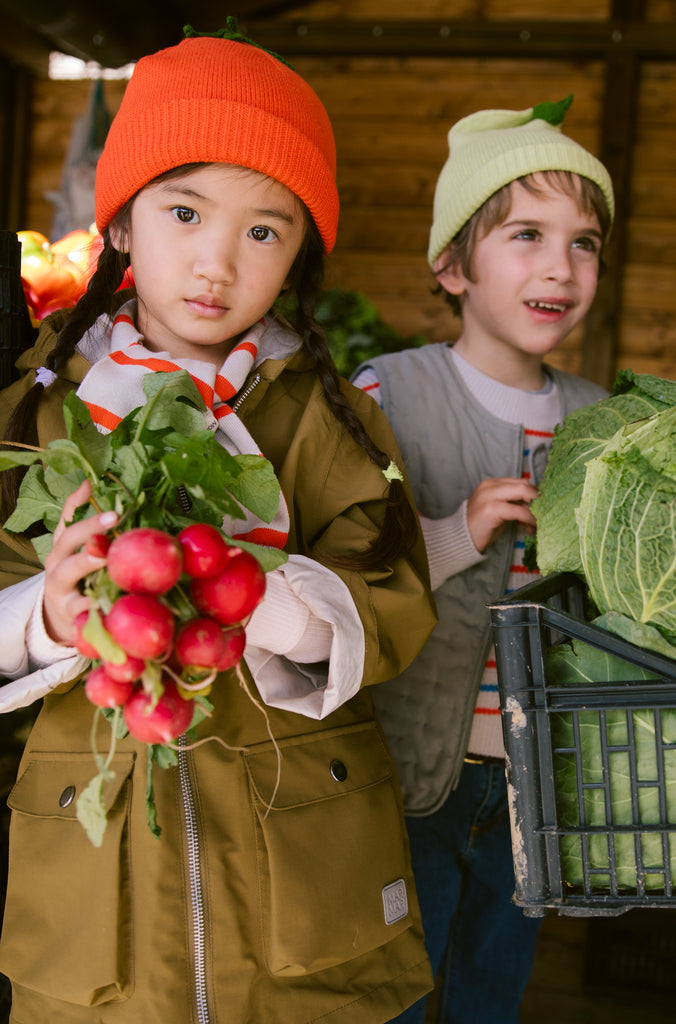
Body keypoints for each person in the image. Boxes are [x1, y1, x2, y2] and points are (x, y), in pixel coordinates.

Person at [0, 25, 439, 1024]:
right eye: (185, 211)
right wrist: (47, 616)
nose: (217, 261)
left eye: (264, 231)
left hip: (302, 876)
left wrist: (268, 604)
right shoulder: (38, 413)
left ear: (298, 255)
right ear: (120, 224)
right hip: (98, 891)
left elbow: (396, 597)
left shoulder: (325, 416)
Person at [352, 95, 614, 1024]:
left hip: (533, 783)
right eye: (527, 235)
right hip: (407, 776)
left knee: (491, 993)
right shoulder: (387, 394)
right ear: (452, 265)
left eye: (585, 243)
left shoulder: (607, 421)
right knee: (392, 990)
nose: (560, 266)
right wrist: (458, 530)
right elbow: (343, 579)